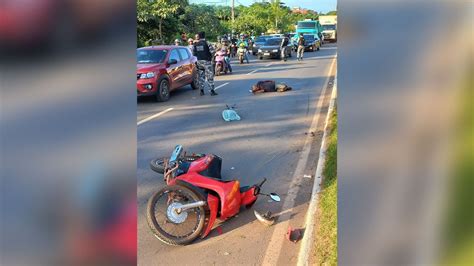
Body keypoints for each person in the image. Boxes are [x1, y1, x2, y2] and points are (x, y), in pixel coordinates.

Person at [192, 32, 218, 96]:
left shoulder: (195, 44)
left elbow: (193, 53)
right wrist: (210, 57)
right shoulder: (207, 43)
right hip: (207, 61)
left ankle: (201, 91)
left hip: (199, 62)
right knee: (209, 76)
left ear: (199, 36)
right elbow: (212, 51)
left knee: (201, 76)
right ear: (204, 36)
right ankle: (212, 91)